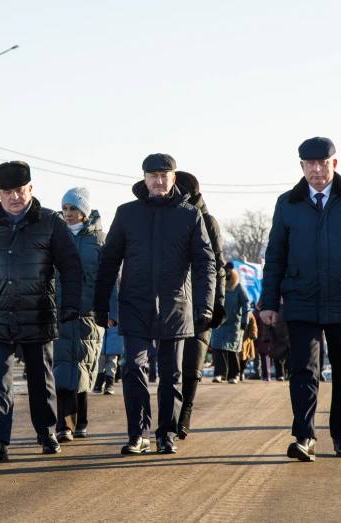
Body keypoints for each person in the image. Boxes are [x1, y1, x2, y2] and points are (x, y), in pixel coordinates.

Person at [259, 137, 341, 461]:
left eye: (323, 163)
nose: (317, 170)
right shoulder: (288, 203)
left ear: (334, 164)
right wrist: (269, 302)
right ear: (301, 166)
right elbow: (275, 256)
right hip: (300, 298)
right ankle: (305, 436)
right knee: (303, 369)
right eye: (310, 164)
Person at [94, 153, 216, 456]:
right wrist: (101, 304)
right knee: (133, 367)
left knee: (171, 374)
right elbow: (109, 261)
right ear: (144, 178)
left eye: (165, 175)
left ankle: (166, 434)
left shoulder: (190, 215)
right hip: (135, 304)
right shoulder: (127, 213)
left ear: (174, 177)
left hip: (176, 306)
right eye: (153, 176)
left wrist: (205, 305)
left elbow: (206, 263)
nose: (159, 181)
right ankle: (138, 434)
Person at [0, 161, 83, 463]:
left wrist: (71, 305)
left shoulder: (51, 222)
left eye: (19, 190)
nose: (14, 197)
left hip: (38, 313)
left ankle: (46, 432)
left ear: (30, 189)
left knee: (41, 377)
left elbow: (71, 267)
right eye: (7, 192)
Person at [174, 171, 227, 440]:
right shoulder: (169, 219)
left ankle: (185, 413)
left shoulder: (207, 221)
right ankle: (172, 414)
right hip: (174, 301)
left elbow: (219, 265)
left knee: (193, 362)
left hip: (201, 301)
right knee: (174, 363)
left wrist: (218, 303)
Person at [54, 187, 106, 442]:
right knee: (62, 367)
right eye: (65, 208)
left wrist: (110, 310)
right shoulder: (54, 235)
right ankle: (64, 425)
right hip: (60, 312)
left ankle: (81, 421)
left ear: (84, 211)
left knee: (84, 367)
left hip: (89, 314)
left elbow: (108, 278)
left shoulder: (99, 240)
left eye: (73, 208)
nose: (68, 213)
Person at [210, 268, 251, 384]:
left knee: (232, 351)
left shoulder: (239, 287)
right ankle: (219, 374)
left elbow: (246, 303)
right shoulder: (219, 286)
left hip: (234, 324)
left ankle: (234, 375)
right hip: (219, 322)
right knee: (218, 349)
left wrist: (245, 320)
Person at [239, 309, 258, 381]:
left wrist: (253, 334)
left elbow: (253, 325)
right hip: (234, 337)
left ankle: (241, 372)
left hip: (245, 339)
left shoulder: (249, 313)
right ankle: (235, 373)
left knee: (243, 358)